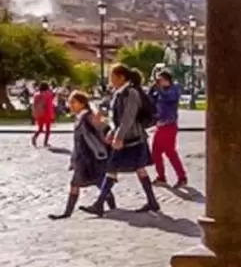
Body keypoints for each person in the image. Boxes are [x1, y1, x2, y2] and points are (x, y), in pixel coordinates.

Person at [80, 64, 160, 215]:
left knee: (122, 168)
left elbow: (128, 118)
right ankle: (152, 202)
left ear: (121, 77)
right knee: (125, 168)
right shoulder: (118, 93)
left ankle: (99, 204)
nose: (110, 79)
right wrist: (111, 131)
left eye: (112, 76)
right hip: (125, 138)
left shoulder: (131, 93)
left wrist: (118, 136)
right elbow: (115, 117)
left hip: (133, 139)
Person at [47, 91, 116, 219]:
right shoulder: (80, 118)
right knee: (76, 183)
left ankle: (112, 209)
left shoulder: (88, 117)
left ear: (82, 104)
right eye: (70, 102)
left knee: (100, 182)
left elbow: (104, 127)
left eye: (73, 102)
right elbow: (77, 142)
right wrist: (73, 160)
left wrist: (109, 133)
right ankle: (67, 213)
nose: (70, 105)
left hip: (93, 157)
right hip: (83, 158)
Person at [149, 70, 188, 187]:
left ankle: (181, 177)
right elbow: (150, 100)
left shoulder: (174, 89)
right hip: (160, 125)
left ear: (167, 80)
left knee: (170, 152)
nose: (159, 82)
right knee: (156, 152)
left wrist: (159, 89)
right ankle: (162, 177)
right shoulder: (160, 91)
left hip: (169, 125)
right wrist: (152, 89)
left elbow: (169, 98)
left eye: (161, 80)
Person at [31, 82, 56, 148]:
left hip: (39, 114)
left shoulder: (36, 94)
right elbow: (50, 106)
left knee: (40, 129)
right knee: (48, 129)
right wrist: (52, 115)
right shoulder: (48, 94)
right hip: (47, 113)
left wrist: (34, 114)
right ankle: (45, 143)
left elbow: (34, 105)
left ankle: (34, 137)